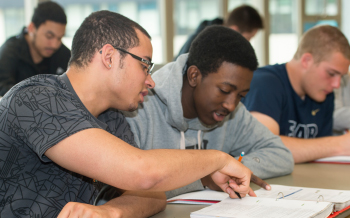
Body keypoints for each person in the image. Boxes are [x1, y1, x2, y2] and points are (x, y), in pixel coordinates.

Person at [0, 11, 255, 218]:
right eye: (145, 64)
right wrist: (218, 160)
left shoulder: (111, 118)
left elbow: (153, 195)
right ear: (109, 56)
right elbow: (142, 172)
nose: (151, 81)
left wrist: (110, 212)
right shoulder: (37, 99)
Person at [117, 25, 293, 200]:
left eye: (241, 95)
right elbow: (124, 185)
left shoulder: (232, 113)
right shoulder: (139, 105)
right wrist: (203, 177)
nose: (231, 105)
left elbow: (281, 155)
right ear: (194, 76)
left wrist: (231, 168)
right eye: (224, 90)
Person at [242, 25, 350, 163]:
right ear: (306, 60)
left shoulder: (324, 94)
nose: (336, 84)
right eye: (331, 73)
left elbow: (320, 154)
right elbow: (263, 149)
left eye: (341, 77)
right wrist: (340, 144)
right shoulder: (265, 84)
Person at [0, 1, 70, 96]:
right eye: (49, 36)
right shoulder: (9, 52)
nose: (55, 45)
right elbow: (3, 89)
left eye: (59, 38)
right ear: (32, 28)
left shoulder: (64, 54)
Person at [175, 4, 264, 59]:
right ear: (235, 30)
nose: (248, 42)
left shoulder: (226, 45)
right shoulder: (199, 43)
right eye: (248, 38)